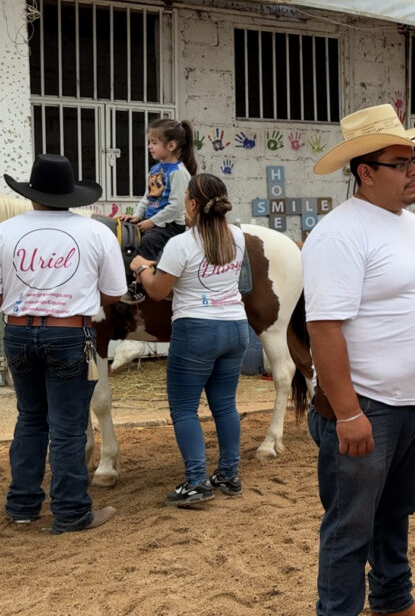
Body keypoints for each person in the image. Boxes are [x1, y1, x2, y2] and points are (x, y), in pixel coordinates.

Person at [303, 103, 415, 616]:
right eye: (400, 162)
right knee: (350, 524)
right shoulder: (340, 233)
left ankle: (393, 602)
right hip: (368, 406)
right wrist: (349, 411)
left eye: (413, 159)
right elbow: (323, 328)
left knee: (395, 513)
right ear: (365, 172)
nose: (413, 170)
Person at [1, 154, 126, 533]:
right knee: (69, 426)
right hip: (71, 332)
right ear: (71, 194)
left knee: (30, 418)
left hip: (18, 331)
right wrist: (79, 302)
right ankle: (71, 511)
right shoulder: (96, 232)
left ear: (32, 193)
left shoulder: (6, 231)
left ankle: (22, 506)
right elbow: (115, 292)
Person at [130, 173, 248, 506]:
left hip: (197, 329)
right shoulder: (237, 236)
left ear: (193, 204)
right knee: (225, 405)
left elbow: (156, 291)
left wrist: (140, 266)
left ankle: (196, 481)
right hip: (235, 326)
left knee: (183, 409)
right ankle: (228, 473)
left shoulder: (180, 244)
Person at [119, 118, 197, 303]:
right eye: (149, 143)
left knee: (149, 241)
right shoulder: (155, 168)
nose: (149, 147)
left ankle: (140, 285)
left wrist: (152, 222)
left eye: (154, 143)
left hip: (169, 226)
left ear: (171, 145)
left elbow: (176, 206)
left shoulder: (178, 172)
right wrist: (137, 217)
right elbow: (147, 197)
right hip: (152, 221)